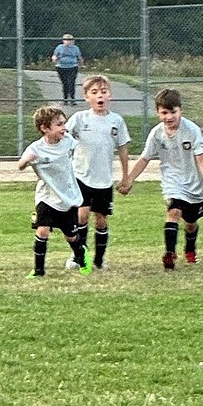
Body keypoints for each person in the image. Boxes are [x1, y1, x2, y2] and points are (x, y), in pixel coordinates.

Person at [118, 88, 203, 271]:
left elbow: (201, 160)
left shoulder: (192, 130)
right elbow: (144, 158)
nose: (169, 117)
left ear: (181, 110)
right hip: (172, 181)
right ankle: (169, 253)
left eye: (173, 112)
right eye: (164, 112)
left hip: (195, 184)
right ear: (157, 112)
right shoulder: (156, 134)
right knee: (173, 213)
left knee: (190, 224)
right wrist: (129, 180)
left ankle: (190, 247)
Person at [65, 75, 130, 271]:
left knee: (101, 219)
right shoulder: (79, 118)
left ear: (110, 95)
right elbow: (63, 137)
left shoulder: (116, 121)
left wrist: (126, 177)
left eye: (103, 92)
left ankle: (100, 260)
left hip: (104, 180)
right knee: (82, 215)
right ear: (86, 97)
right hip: (81, 175)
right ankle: (79, 256)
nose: (99, 96)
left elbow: (123, 148)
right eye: (94, 93)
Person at [18, 106, 89, 277]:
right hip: (45, 197)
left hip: (66, 197)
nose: (64, 128)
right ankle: (38, 270)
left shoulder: (68, 142)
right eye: (59, 124)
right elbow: (20, 165)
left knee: (70, 236)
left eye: (64, 123)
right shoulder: (35, 148)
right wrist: (27, 161)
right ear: (45, 128)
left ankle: (81, 255)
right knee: (42, 230)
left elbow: (79, 150)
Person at [52, 33, 84, 105]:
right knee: (65, 83)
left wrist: (81, 64)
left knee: (71, 82)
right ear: (63, 41)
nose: (68, 41)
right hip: (61, 67)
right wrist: (54, 59)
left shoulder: (75, 48)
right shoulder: (59, 47)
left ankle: (72, 99)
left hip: (72, 67)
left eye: (69, 40)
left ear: (72, 41)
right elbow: (54, 55)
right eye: (66, 40)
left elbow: (79, 57)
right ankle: (65, 99)